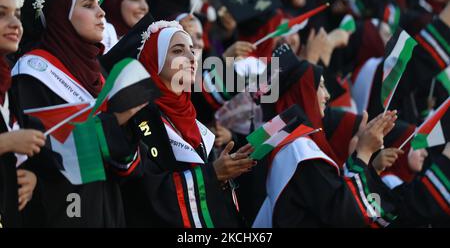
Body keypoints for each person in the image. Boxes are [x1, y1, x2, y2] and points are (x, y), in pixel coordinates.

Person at [253, 44, 450, 227]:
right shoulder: (299, 151)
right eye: (320, 86)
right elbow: (344, 214)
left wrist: (365, 163)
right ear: (303, 92)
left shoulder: (288, 144)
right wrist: (364, 151)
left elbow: (330, 198)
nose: (328, 95)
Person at [11, 0, 145, 227]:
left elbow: (124, 165)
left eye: (99, 4)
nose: (101, 12)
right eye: (88, 5)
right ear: (60, 14)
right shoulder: (32, 73)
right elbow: (45, 154)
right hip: (63, 209)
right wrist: (114, 120)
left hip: (107, 206)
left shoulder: (100, 72)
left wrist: (128, 124)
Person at [120, 20, 255, 227]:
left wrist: (226, 169)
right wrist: (213, 174)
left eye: (192, 50)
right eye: (178, 51)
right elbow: (145, 193)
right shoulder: (136, 116)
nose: (192, 58)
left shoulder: (190, 114)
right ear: (153, 61)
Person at [0, 0, 45, 228]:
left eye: (17, 15)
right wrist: (6, 143)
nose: (15, 24)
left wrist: (32, 176)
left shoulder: (8, 85)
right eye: (1, 13)